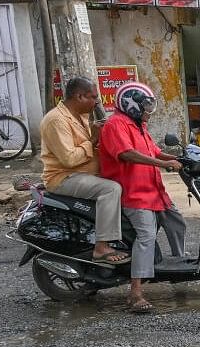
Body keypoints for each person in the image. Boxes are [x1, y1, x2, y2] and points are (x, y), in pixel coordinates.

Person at [98, 82, 187, 313]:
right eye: (145, 106)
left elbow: (154, 151)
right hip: (134, 193)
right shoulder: (116, 124)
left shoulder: (138, 125)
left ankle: (180, 268)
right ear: (132, 104)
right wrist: (164, 164)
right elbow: (127, 154)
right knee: (146, 237)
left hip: (153, 189)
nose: (149, 111)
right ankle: (135, 293)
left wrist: (181, 159)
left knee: (176, 221)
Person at [40, 77, 127, 265]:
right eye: (93, 97)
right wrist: (93, 140)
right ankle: (101, 246)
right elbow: (69, 159)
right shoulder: (56, 120)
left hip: (85, 174)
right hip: (64, 177)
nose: (96, 102)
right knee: (111, 189)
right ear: (79, 96)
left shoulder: (82, 116)